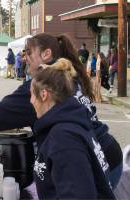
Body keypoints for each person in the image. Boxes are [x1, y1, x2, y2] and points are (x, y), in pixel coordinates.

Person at [0, 33, 122, 189]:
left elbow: (0, 113)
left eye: (28, 51)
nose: (23, 56)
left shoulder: (47, 87)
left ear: (46, 54)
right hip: (102, 152)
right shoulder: (63, 75)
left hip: (92, 161)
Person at [31, 58, 114, 199]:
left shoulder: (64, 139)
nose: (31, 100)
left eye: (32, 94)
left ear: (44, 95)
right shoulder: (69, 124)